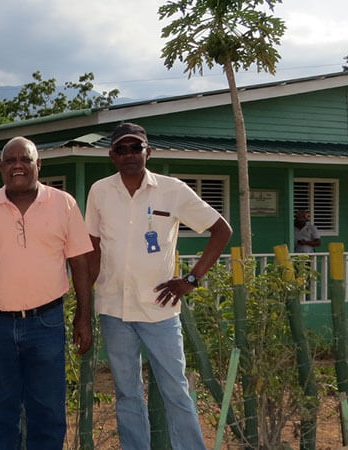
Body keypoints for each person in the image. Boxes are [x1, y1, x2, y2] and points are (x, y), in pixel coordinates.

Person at [85, 122, 232, 450]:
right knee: (127, 394)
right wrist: (84, 301)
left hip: (160, 310)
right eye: (121, 149)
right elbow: (92, 247)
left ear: (148, 151)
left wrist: (192, 279)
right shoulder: (100, 192)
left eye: (135, 148)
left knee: (175, 390)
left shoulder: (172, 190)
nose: (128, 155)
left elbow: (221, 230)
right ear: (112, 155)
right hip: (113, 309)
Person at [0, 136, 95, 450]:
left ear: (38, 165)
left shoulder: (64, 204)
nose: (18, 165)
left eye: (25, 159)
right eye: (11, 160)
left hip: (47, 322)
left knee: (47, 408)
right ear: (1, 166)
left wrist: (85, 317)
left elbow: (80, 263)